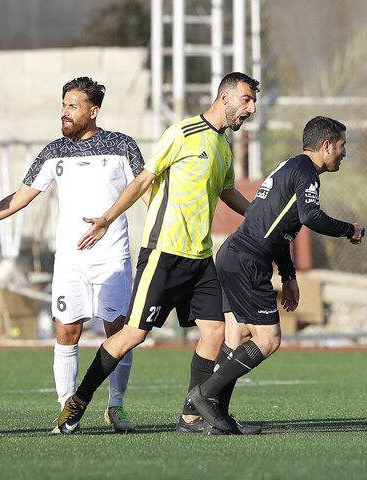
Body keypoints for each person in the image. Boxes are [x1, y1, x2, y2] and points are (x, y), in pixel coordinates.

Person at [0, 77, 147, 433]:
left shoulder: (122, 146)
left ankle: (116, 406)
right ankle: (68, 409)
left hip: (112, 257)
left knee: (118, 332)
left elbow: (146, 191)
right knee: (67, 331)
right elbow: (18, 198)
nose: (64, 113)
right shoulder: (53, 152)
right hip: (69, 260)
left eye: (73, 107)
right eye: (63, 105)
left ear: (92, 111)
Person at [56, 72, 257, 435]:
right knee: (133, 335)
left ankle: (190, 417)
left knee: (215, 332)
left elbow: (228, 193)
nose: (251, 108)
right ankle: (77, 404)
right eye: (246, 99)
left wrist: (261, 216)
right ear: (225, 98)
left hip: (200, 258)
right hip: (164, 254)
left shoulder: (223, 147)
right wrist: (106, 219)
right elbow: (142, 181)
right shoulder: (181, 133)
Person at [194, 116, 365, 434]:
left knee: (238, 337)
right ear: (326, 146)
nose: (344, 152)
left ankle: (218, 420)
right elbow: (310, 216)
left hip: (234, 255)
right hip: (247, 261)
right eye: (342, 146)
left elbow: (280, 230)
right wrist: (350, 229)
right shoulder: (305, 173)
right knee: (269, 340)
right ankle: (204, 396)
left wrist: (288, 276)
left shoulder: (292, 168)